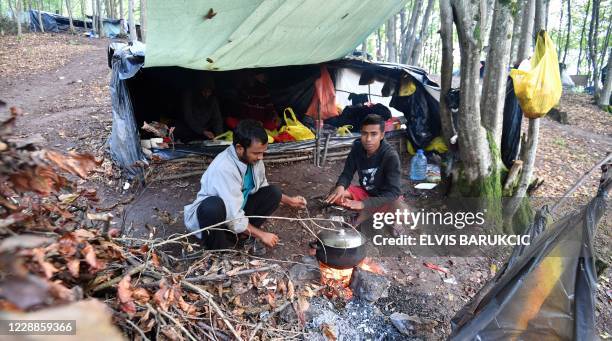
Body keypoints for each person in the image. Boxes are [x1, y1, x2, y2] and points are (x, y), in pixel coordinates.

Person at [184, 119, 307, 251]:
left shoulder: (254, 160)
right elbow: (232, 216)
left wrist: (290, 201)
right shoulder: (224, 168)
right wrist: (261, 235)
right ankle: (218, 250)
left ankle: (240, 235)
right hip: (214, 221)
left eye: (262, 152)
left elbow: (261, 187)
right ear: (239, 148)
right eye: (256, 153)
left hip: (235, 213)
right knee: (212, 207)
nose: (261, 157)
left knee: (273, 193)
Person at [325, 114, 402, 223]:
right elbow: (347, 173)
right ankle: (369, 212)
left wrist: (364, 204)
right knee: (335, 194)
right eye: (364, 134)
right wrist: (341, 186)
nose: (368, 139)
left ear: (382, 135)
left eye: (374, 134)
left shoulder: (390, 156)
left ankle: (366, 212)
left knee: (399, 209)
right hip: (366, 192)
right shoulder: (357, 148)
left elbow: (393, 193)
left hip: (383, 198)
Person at [174, 76, 224, 142]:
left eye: (209, 91)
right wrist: (202, 131)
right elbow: (188, 117)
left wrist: (219, 135)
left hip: (204, 131)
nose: (207, 94)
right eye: (204, 91)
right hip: (188, 129)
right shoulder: (189, 95)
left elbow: (217, 119)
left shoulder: (213, 99)